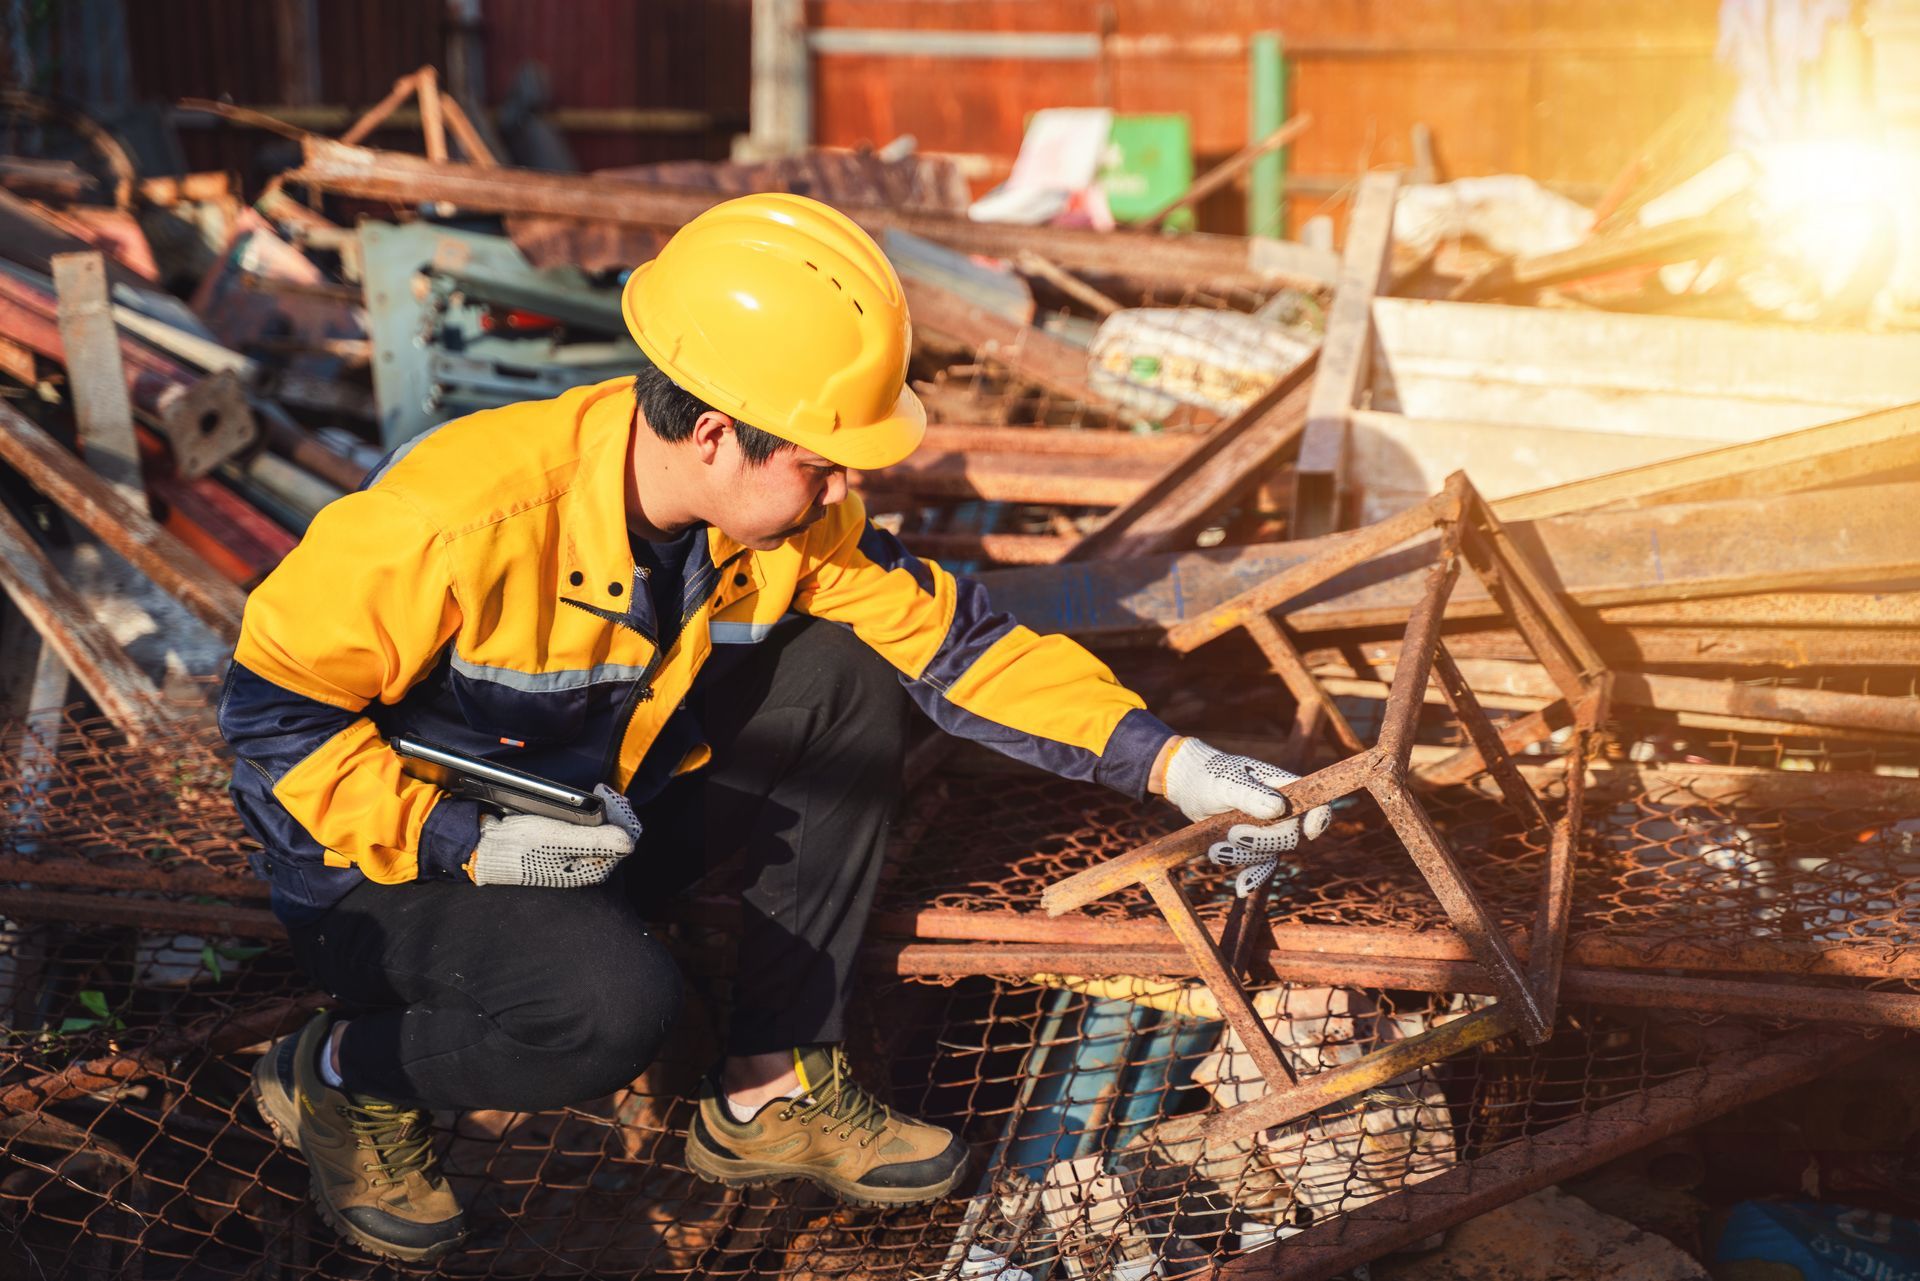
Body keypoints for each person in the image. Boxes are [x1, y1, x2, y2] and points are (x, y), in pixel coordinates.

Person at [218, 193, 1332, 1263]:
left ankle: (771, 1088)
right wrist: (464, 843)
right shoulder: (457, 519)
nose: (845, 478)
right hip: (383, 864)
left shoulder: (779, 522)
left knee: (843, 671)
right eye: (819, 455)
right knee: (612, 1013)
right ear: (713, 434)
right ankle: (347, 1072)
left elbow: (956, 647)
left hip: (588, 813)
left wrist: (1172, 761)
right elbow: (271, 723)